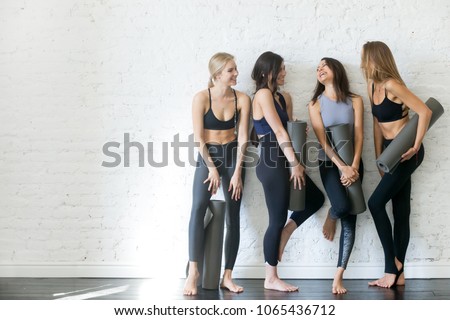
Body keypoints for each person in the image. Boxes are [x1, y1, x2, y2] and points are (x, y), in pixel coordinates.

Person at [361, 41, 432, 288]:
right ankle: (400, 274)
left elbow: (424, 111)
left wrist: (416, 144)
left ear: (375, 59)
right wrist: (379, 157)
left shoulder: (392, 85)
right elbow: (376, 124)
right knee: (400, 210)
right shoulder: (372, 85)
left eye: (365, 58)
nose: (362, 62)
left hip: (407, 152)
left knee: (375, 203)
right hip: (391, 156)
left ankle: (391, 268)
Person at [252, 51, 324, 292]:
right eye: (280, 69)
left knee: (314, 199)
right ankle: (270, 276)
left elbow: (289, 128)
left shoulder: (284, 97)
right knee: (276, 219)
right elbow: (279, 133)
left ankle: (286, 232)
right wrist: (295, 163)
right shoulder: (262, 95)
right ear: (266, 72)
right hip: (272, 161)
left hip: (285, 157)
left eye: (284, 69)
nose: (284, 73)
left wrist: (299, 132)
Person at [184, 52, 251, 296]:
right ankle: (193, 272)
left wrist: (237, 173)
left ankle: (228, 276)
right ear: (217, 74)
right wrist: (211, 167)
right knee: (198, 207)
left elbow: (243, 136)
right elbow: (198, 138)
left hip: (234, 155)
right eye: (231, 70)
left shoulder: (242, 98)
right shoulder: (201, 98)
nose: (236, 74)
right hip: (208, 155)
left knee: (233, 214)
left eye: (235, 69)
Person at [306, 57, 364, 294]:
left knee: (351, 216)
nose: (319, 69)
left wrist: (354, 165)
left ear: (336, 70)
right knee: (340, 206)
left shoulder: (356, 100)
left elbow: (360, 135)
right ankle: (331, 214)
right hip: (329, 163)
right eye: (317, 67)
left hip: (354, 162)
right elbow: (323, 142)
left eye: (324, 65)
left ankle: (338, 276)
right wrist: (342, 167)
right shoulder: (315, 104)